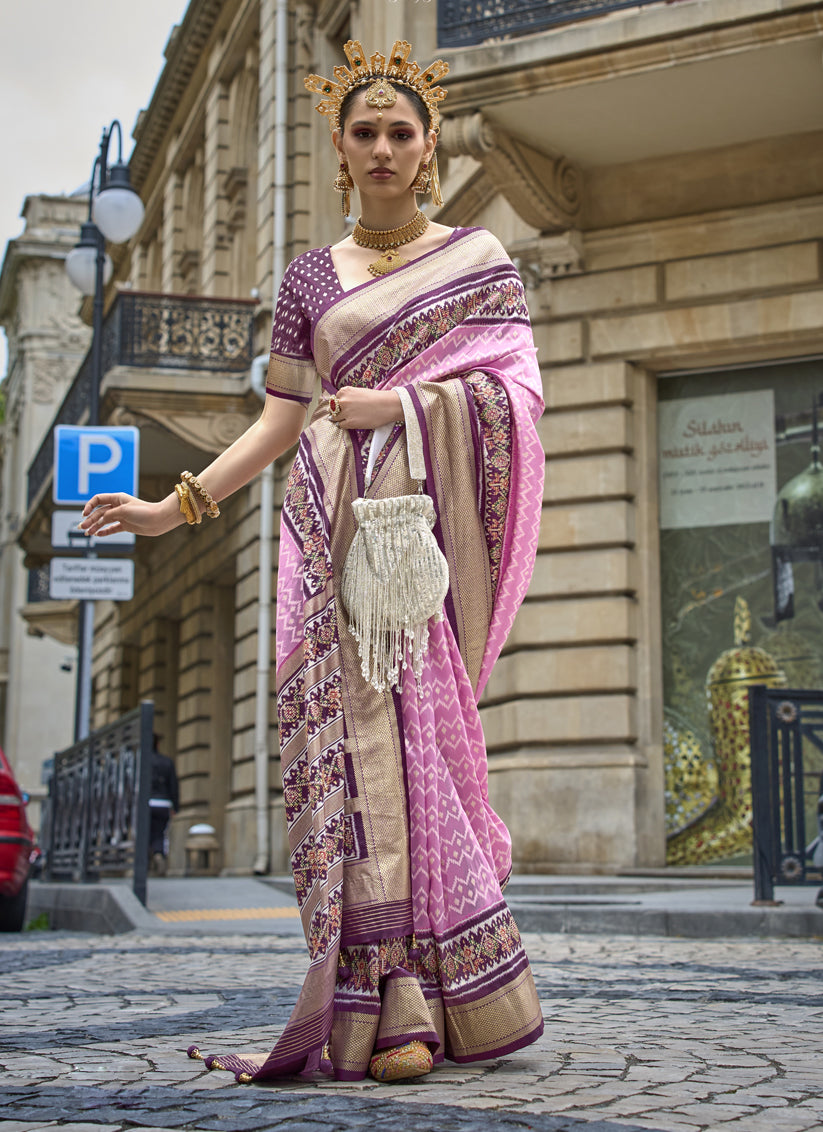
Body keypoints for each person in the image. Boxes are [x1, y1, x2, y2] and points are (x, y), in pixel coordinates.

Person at [81, 39, 546, 1085]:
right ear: (340, 149)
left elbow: (515, 399)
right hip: (321, 537)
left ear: (425, 148)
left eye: (401, 131)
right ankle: (384, 994)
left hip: (408, 546)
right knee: (349, 754)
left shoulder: (478, 262)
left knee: (417, 747)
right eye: (365, 131)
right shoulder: (307, 280)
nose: (383, 146)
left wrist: (406, 406)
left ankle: (436, 987)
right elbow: (280, 420)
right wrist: (174, 505)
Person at [148, 735, 179, 876]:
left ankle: (147, 860)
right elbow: (173, 786)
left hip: (147, 803)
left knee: (146, 833)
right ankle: (159, 853)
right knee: (160, 832)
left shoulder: (141, 762)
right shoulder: (167, 762)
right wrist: (175, 806)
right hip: (163, 803)